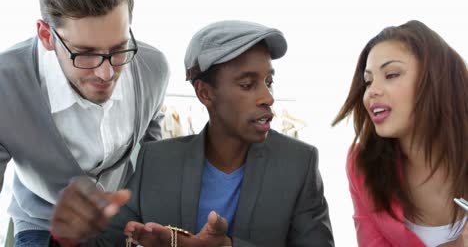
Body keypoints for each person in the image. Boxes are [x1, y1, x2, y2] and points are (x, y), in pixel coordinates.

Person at [50, 20, 334, 246]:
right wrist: (67, 237)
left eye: (269, 82)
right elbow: (107, 242)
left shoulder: (298, 163)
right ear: (205, 93)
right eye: (248, 85)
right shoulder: (155, 161)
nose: (267, 97)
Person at [0, 0, 169, 245]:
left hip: (120, 221)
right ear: (46, 36)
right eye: (85, 54)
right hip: (42, 223)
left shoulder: (153, 69)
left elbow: (153, 149)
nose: (106, 74)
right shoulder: (5, 85)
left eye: (119, 48)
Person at [332, 20, 468, 246]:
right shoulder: (363, 165)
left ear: (436, 79)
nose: (372, 92)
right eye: (367, 82)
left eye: (392, 74)